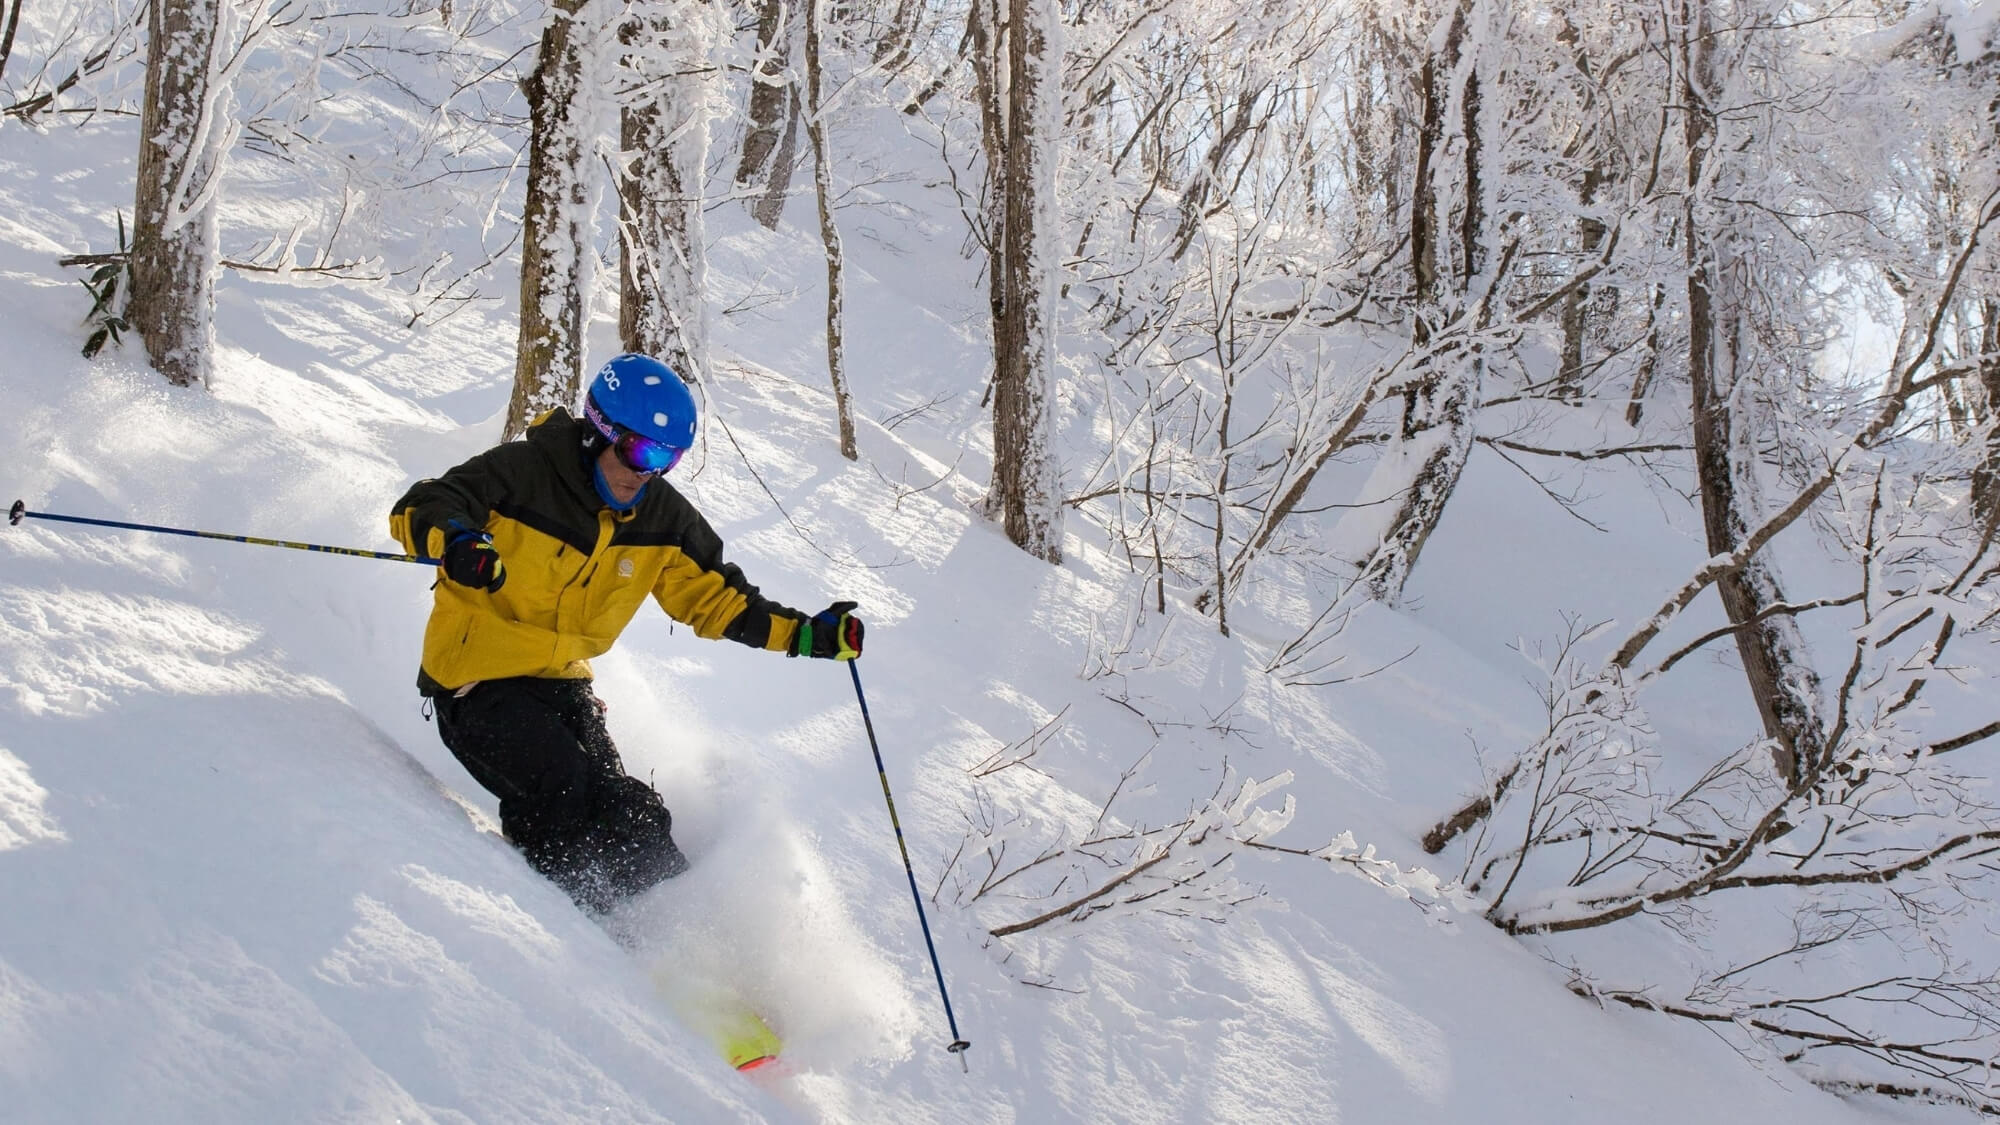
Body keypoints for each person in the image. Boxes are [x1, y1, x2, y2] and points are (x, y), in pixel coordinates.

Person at [389, 353, 863, 913]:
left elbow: (719, 600)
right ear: (598, 432)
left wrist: (809, 636)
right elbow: (423, 504)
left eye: (668, 458)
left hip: (563, 682)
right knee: (561, 784)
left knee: (631, 809)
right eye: (641, 451)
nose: (648, 472)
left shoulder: (663, 519)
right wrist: (459, 541)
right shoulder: (521, 475)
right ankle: (567, 914)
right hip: (477, 680)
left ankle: (673, 931)